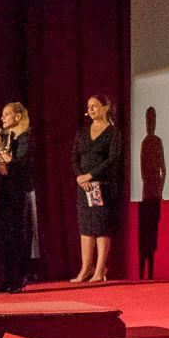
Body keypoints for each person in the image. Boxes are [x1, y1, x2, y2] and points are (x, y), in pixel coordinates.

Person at [0, 102, 35, 294]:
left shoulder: (26, 138)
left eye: (7, 114)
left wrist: (2, 152)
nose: (2, 118)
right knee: (3, 235)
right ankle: (5, 279)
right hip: (5, 191)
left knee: (16, 235)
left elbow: (19, 163)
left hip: (20, 192)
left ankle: (18, 279)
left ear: (18, 117)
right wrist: (0, 158)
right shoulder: (5, 136)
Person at [70, 94, 121, 284]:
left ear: (105, 108)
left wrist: (91, 176)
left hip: (102, 186)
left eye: (95, 106)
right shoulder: (83, 132)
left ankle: (100, 269)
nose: (90, 109)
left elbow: (113, 158)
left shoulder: (113, 132)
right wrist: (79, 177)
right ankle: (86, 268)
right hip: (83, 187)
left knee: (101, 226)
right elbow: (74, 157)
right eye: (89, 106)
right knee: (85, 226)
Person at [137, 107, 167, 281]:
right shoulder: (146, 142)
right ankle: (143, 273)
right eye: (149, 119)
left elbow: (163, 167)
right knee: (146, 233)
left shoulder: (157, 141)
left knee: (152, 233)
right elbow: (143, 169)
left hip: (154, 190)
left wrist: (160, 187)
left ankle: (151, 273)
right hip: (148, 191)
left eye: (153, 119)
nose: (151, 123)